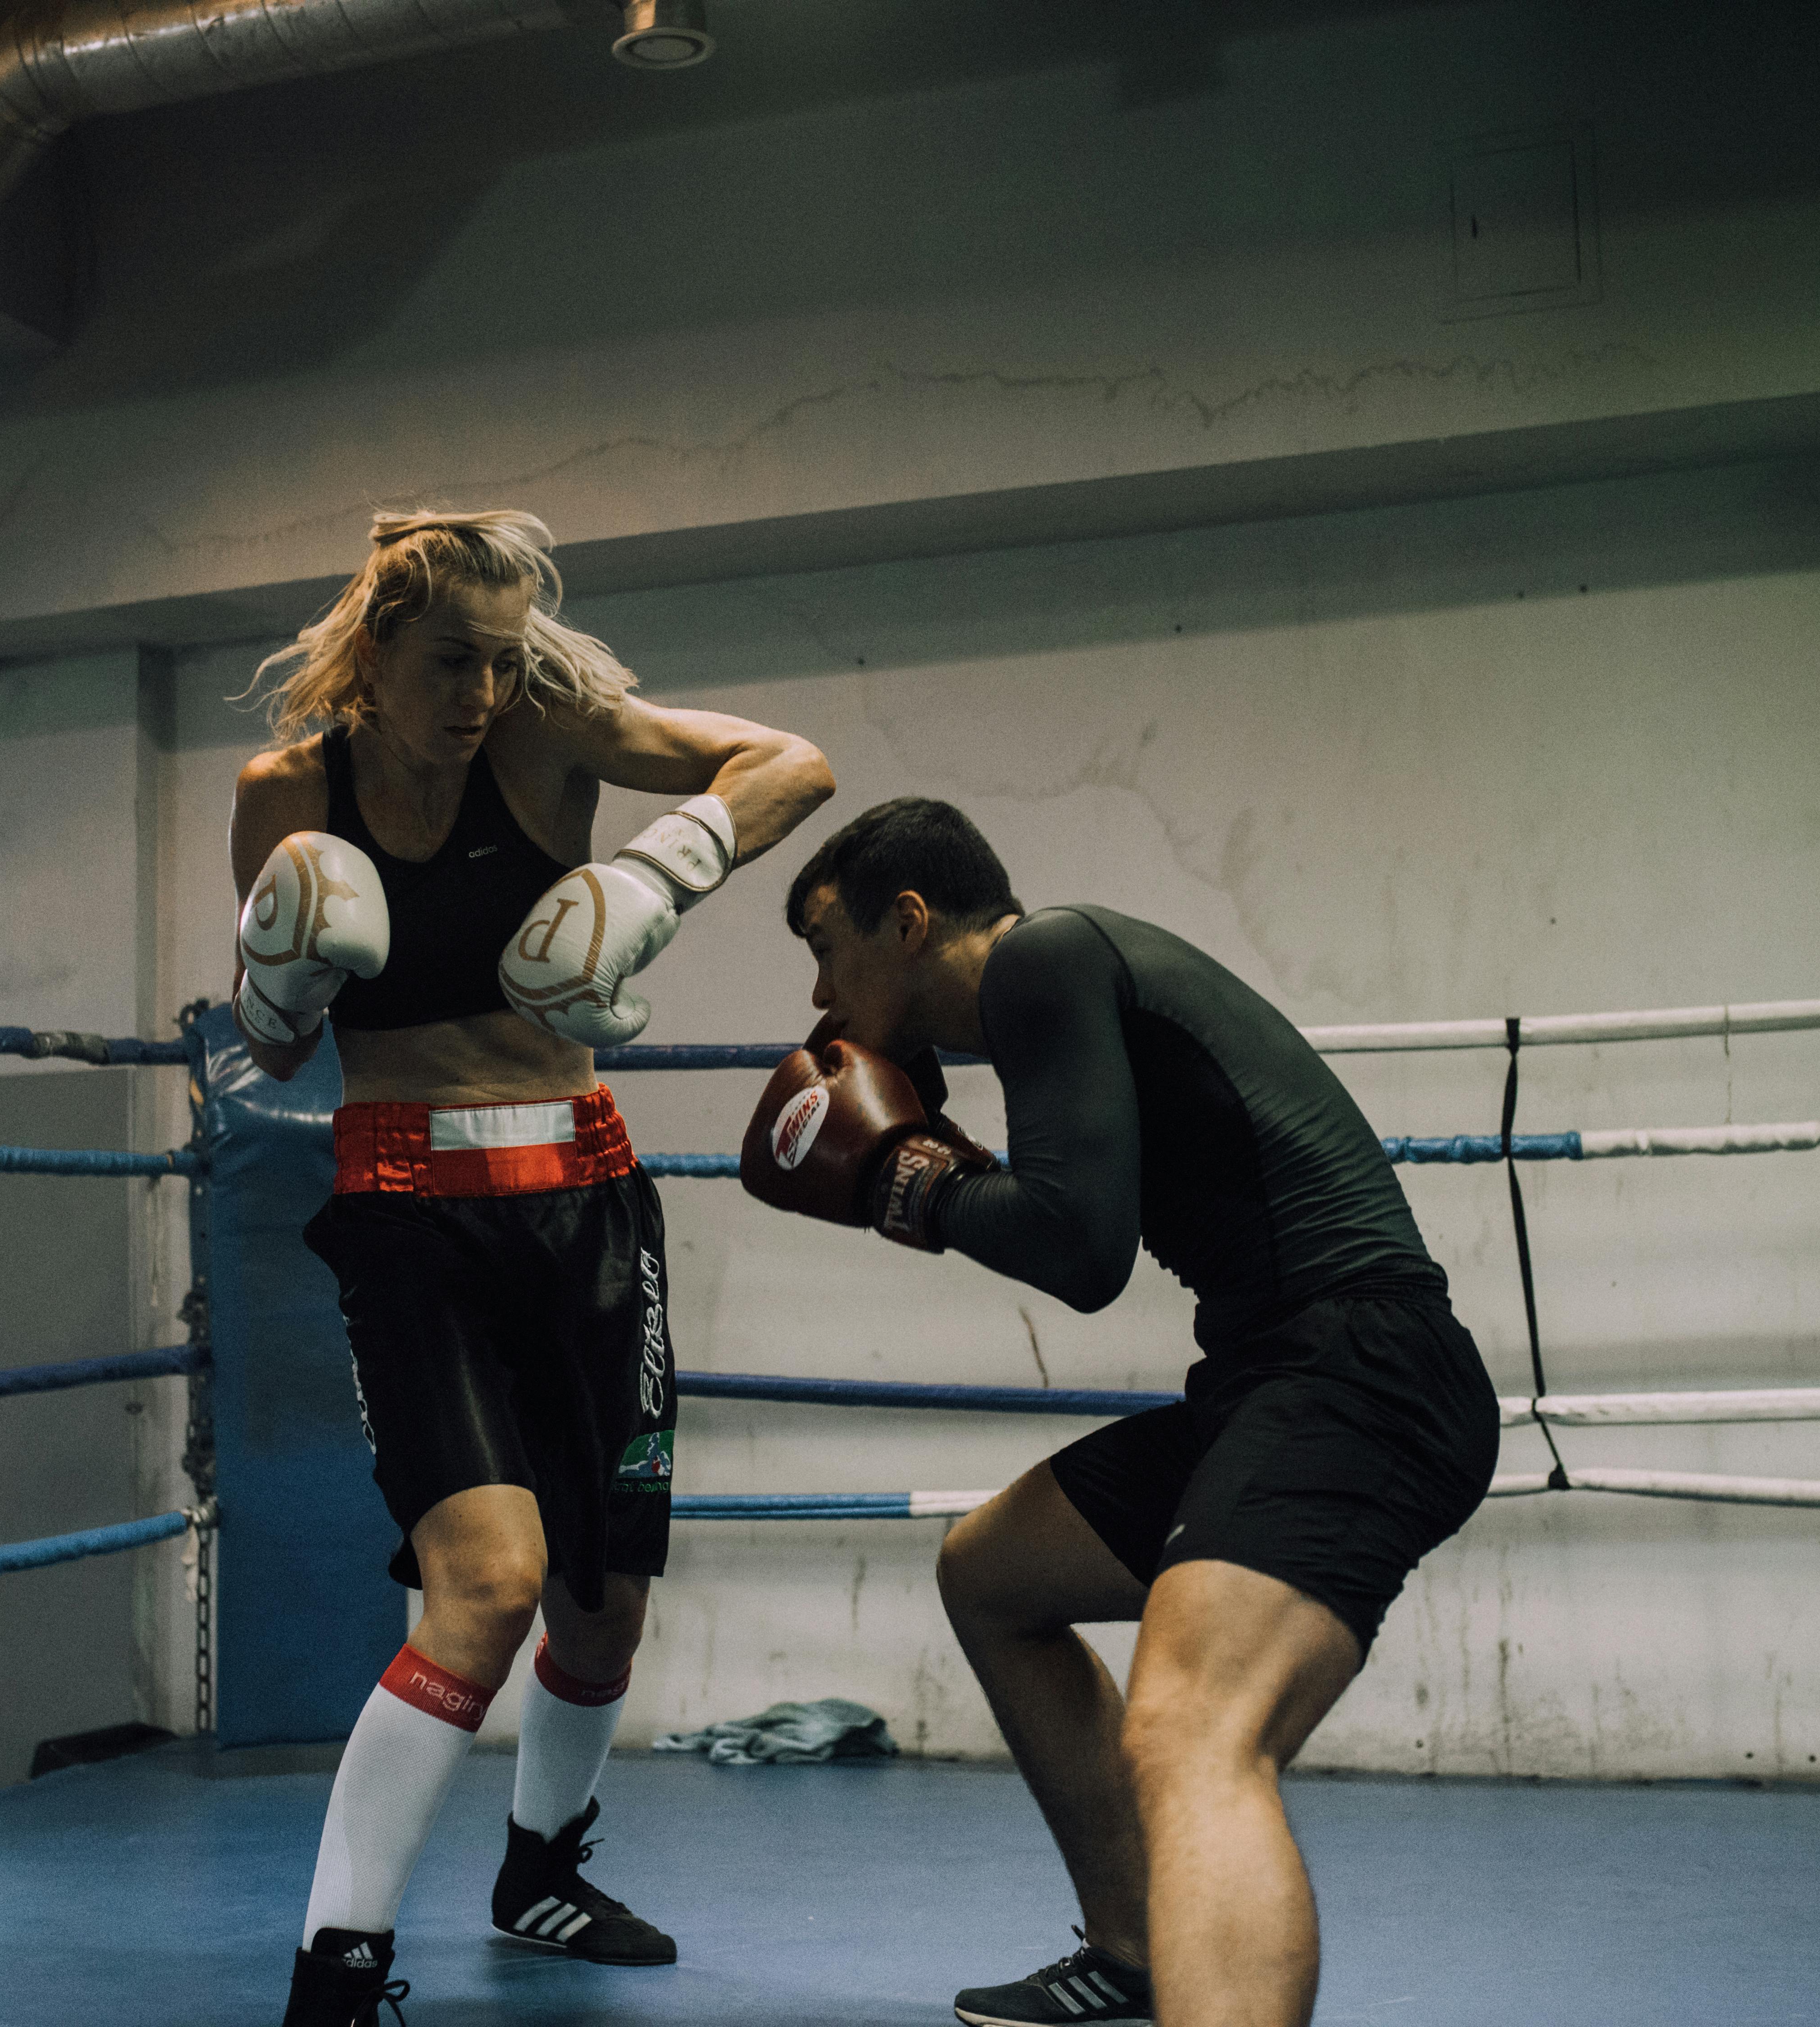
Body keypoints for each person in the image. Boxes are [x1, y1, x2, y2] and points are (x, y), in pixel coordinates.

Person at [740, 798, 1500, 2027]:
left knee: (1193, 1729)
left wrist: (912, 1185)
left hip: (1357, 1373)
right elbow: (1071, 1218)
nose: (822, 1000)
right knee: (993, 1572)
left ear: (912, 920)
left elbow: (1081, 1251)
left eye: (828, 950)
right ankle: (1137, 1945)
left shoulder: (1045, 960)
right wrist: (939, 1177)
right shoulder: (1063, 989)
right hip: (1278, 1375)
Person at [231, 509, 833, 2027]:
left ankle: (544, 1869)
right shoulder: (291, 794)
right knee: (484, 1589)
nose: (482, 694)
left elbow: (791, 762)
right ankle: (338, 1967)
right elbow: (278, 1042)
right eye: (452, 661)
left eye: (503, 661)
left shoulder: (552, 736)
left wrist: (656, 877)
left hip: (587, 1201)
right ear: (376, 647)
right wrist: (281, 971)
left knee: (598, 1605)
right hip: (408, 1213)